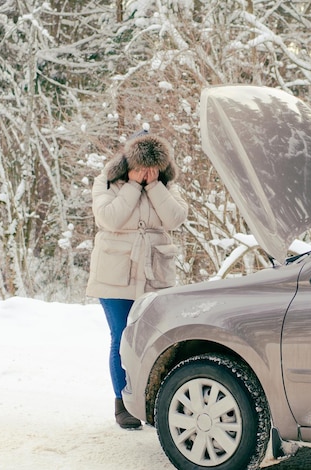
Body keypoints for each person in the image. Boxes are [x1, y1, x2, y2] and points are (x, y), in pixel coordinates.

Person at [86, 132, 188, 429]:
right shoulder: (107, 181)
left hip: (155, 273)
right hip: (114, 274)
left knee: (157, 339)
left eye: (152, 167)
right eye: (140, 166)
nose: (146, 171)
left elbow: (175, 218)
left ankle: (153, 400)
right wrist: (132, 185)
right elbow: (109, 219)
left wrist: (155, 186)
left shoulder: (166, 186)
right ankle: (122, 402)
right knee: (121, 338)